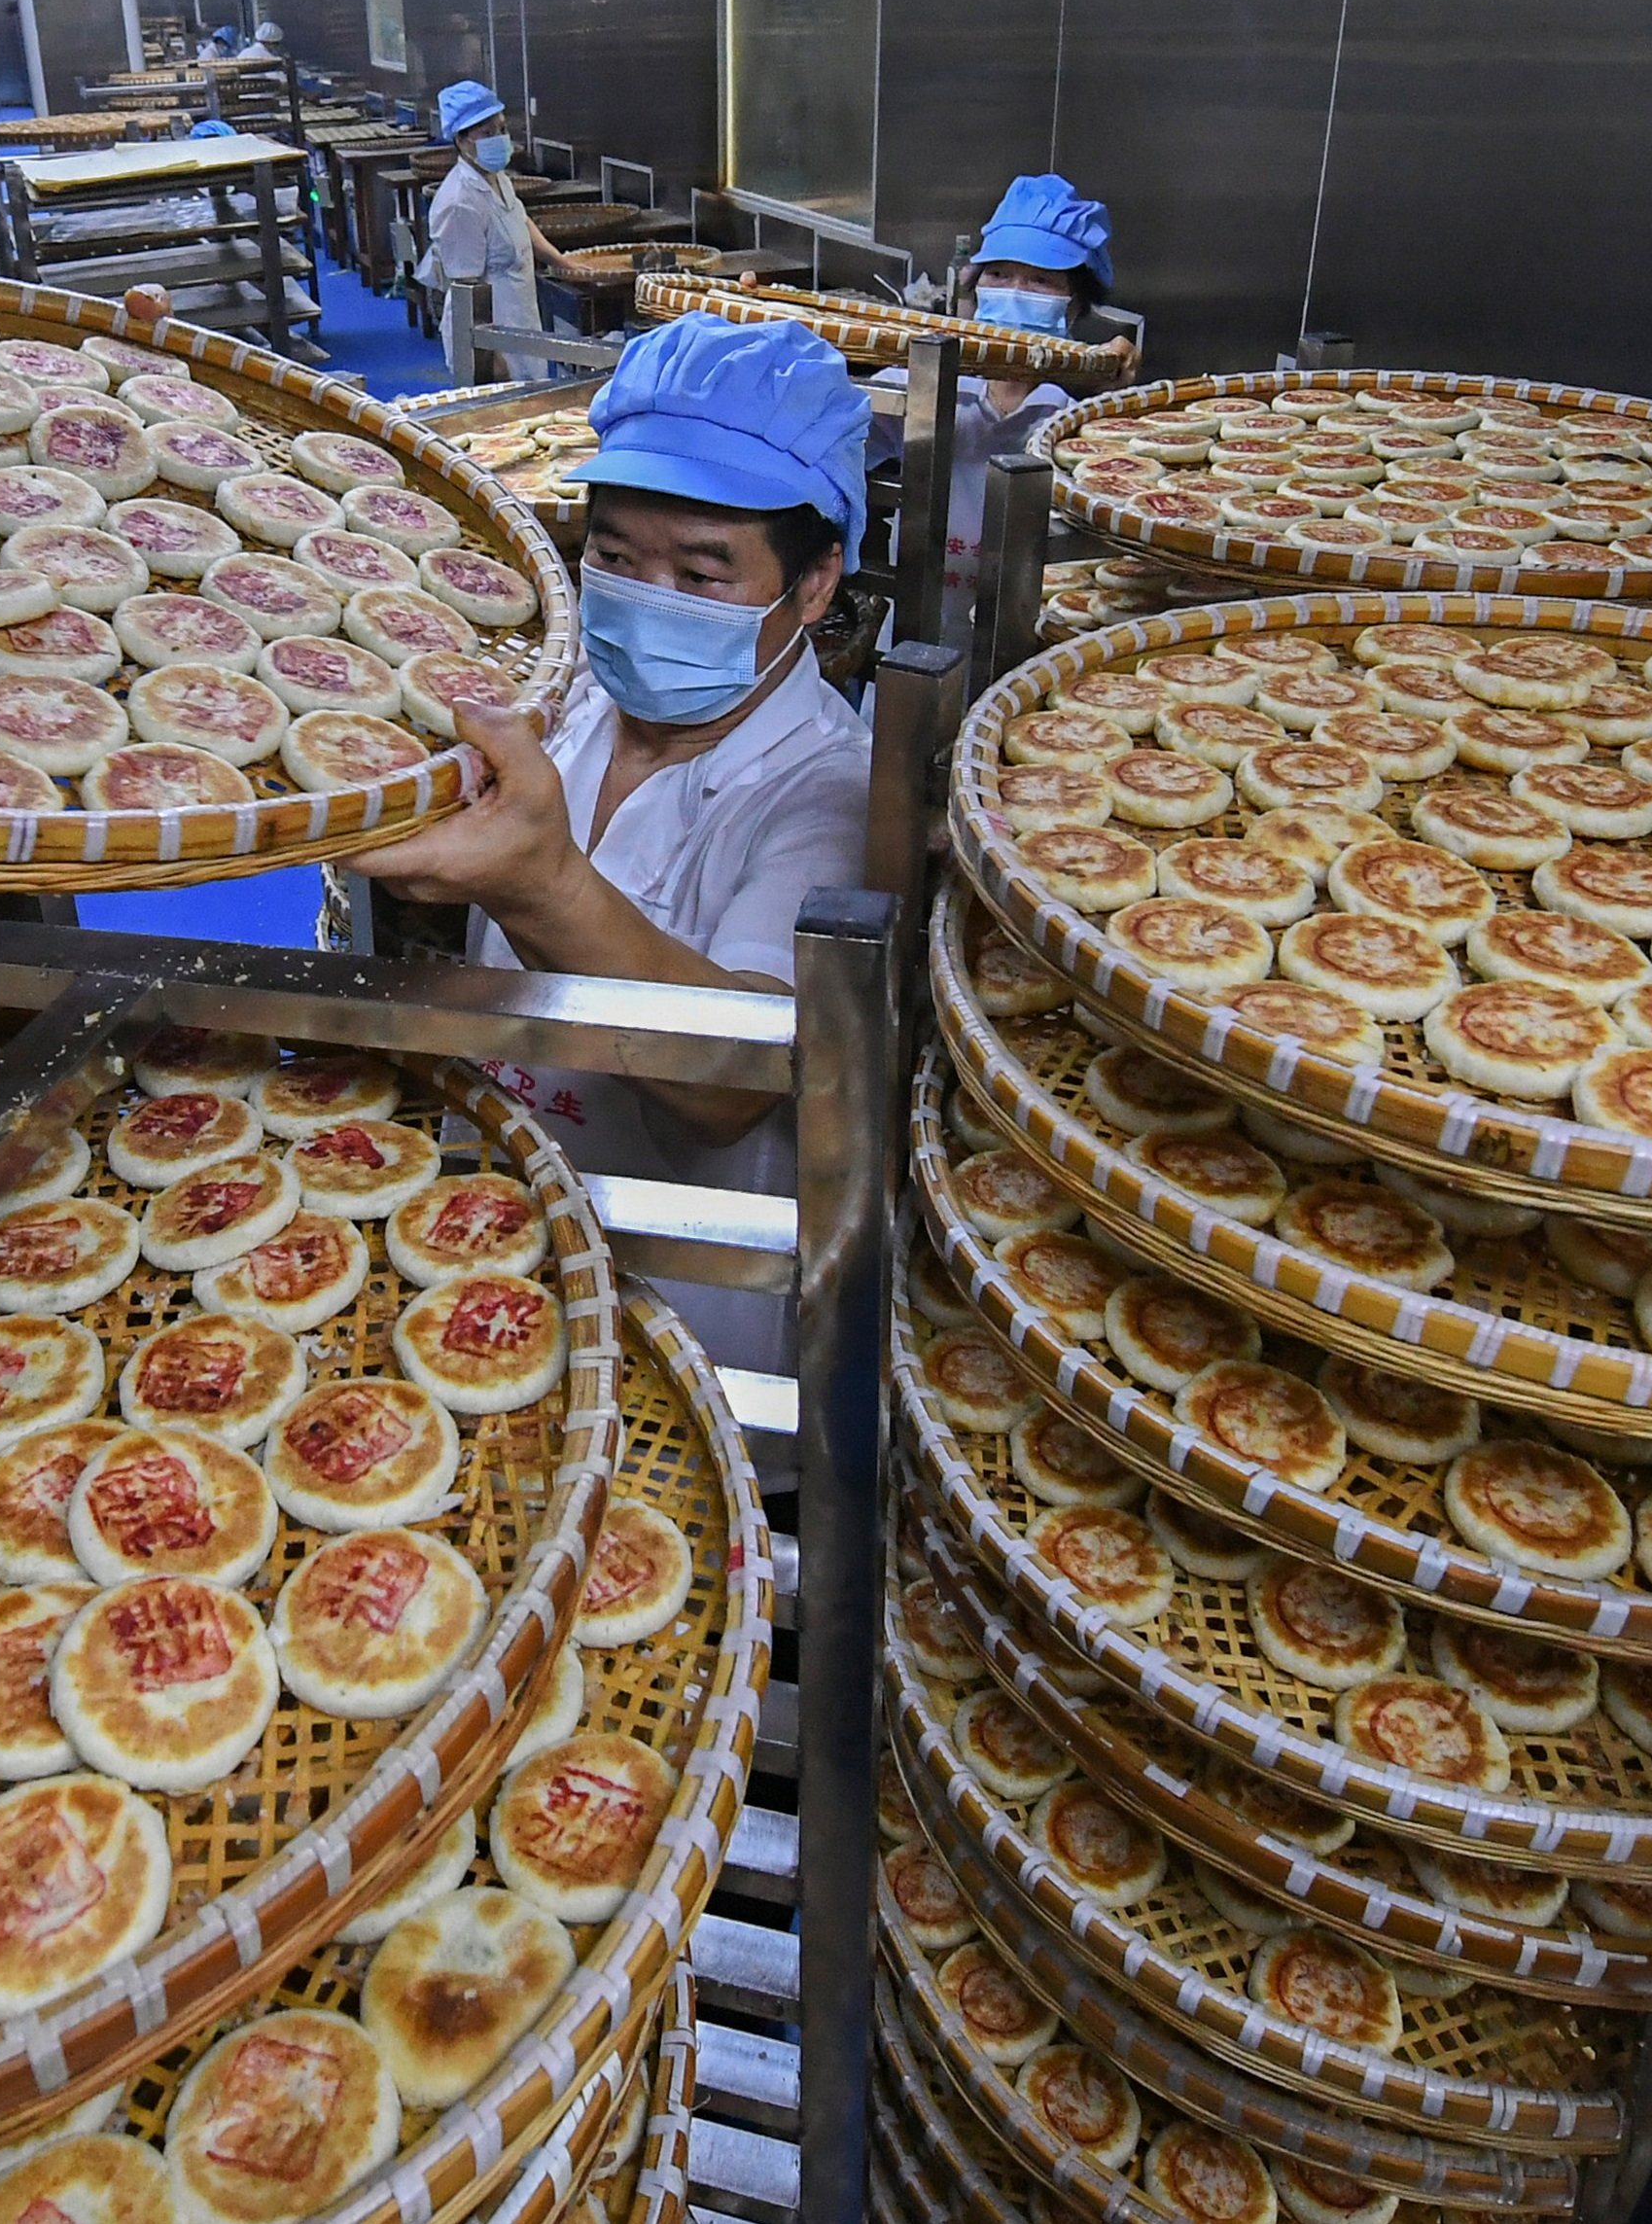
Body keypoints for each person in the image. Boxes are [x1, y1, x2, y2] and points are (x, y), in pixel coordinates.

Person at [351, 313, 873, 1365]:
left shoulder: (827, 788)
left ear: (813, 584)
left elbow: (734, 1082)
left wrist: (537, 882)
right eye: (617, 557)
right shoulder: (571, 701)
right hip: (498, 1229)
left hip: (690, 1297)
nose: (645, 600)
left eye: (702, 573)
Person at [873, 170, 1115, 599]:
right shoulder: (933, 379)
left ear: (1074, 303)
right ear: (976, 285)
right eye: (999, 274)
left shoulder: (1085, 409)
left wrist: (1107, 385)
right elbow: (838, 429)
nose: (1015, 292)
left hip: (1039, 620)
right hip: (923, 618)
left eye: (1040, 280)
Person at [414, 79, 545, 383]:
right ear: (461, 140)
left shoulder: (497, 177)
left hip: (519, 318)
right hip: (488, 332)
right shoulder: (459, 201)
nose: (499, 138)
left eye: (501, 129)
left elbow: (520, 221)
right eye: (486, 133)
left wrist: (566, 263)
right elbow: (465, 287)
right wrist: (488, 356)